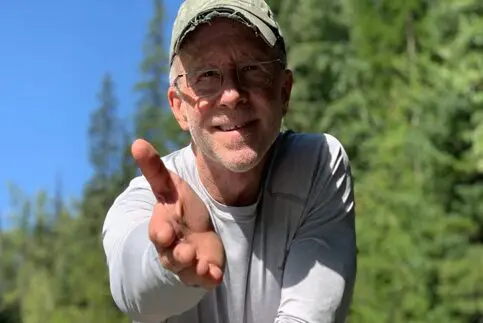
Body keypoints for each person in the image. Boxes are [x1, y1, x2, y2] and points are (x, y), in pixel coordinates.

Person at [101, 0, 358, 322]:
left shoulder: (317, 165)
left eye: (252, 68)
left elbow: (311, 313)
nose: (232, 93)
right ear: (179, 107)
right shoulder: (148, 199)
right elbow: (133, 289)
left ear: (284, 92)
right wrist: (169, 263)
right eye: (207, 75)